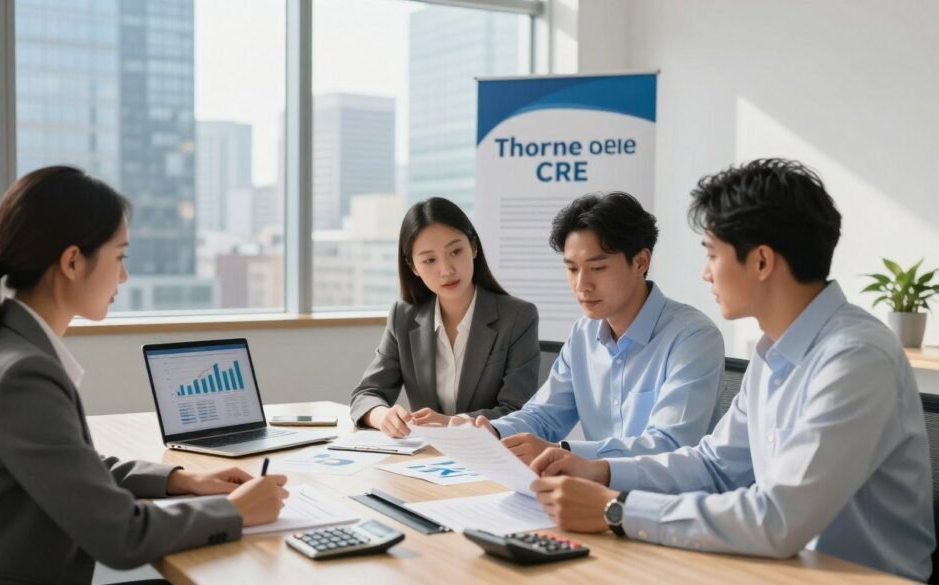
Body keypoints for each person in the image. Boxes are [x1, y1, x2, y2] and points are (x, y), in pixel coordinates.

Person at [529, 159, 934, 581]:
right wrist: (603, 470)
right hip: (775, 568)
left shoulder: (855, 357)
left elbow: (778, 519)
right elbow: (714, 466)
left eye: (712, 254)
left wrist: (616, 509)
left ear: (761, 262)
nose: (705, 273)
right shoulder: (770, 351)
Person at [0, 166, 289, 585]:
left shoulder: (3, 345)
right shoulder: (23, 375)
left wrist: (181, 480)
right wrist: (237, 511)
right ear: (73, 261)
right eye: (120, 257)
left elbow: (71, 467)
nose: (124, 276)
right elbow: (121, 535)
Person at [454, 192, 724, 464]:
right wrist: (492, 431)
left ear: (641, 262)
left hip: (664, 501)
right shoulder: (584, 334)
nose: (582, 285)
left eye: (597, 268)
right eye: (572, 269)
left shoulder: (693, 337)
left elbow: (669, 446)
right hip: (591, 491)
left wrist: (564, 454)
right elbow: (544, 415)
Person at [350, 197, 540, 438]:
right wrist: (382, 416)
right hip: (426, 460)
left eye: (455, 251)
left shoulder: (517, 317)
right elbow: (365, 394)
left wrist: (451, 423)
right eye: (429, 260)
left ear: (473, 247)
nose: (446, 270)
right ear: (414, 267)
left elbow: (518, 412)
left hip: (492, 457)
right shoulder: (404, 316)